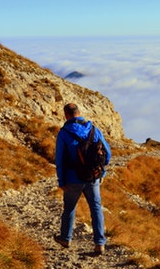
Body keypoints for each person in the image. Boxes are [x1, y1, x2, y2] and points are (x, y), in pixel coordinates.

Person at [53, 103, 111, 255]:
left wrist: (61, 181)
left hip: (72, 177)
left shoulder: (64, 133)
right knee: (96, 208)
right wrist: (101, 174)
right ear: (80, 113)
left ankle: (65, 238)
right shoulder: (94, 130)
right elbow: (107, 154)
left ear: (66, 115)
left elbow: (59, 160)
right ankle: (99, 243)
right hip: (93, 177)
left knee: (70, 208)